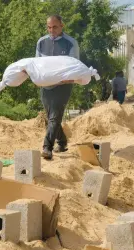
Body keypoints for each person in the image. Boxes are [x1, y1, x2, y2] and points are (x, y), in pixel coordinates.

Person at [35, 15, 79, 160]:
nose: (51, 30)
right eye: (48, 27)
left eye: (54, 27)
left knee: (54, 117)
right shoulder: (41, 42)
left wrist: (67, 78)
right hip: (46, 86)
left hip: (63, 86)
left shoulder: (70, 43)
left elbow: (74, 65)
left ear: (62, 26)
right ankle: (62, 141)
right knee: (51, 117)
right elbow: (37, 64)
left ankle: (47, 147)